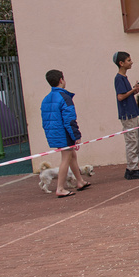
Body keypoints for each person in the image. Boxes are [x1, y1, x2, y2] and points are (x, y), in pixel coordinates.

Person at [40, 69, 90, 197]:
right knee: (66, 158)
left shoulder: (46, 99)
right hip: (64, 133)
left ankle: (80, 181)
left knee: (72, 155)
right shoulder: (64, 97)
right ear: (61, 80)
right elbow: (70, 119)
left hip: (54, 133)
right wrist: (76, 135)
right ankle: (60, 188)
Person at [114, 52, 139, 179]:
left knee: (136, 141)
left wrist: (134, 89)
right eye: (129, 60)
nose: (131, 62)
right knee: (132, 141)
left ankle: (134, 167)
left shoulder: (124, 78)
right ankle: (131, 169)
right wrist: (133, 91)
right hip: (127, 115)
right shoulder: (119, 78)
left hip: (132, 112)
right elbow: (120, 97)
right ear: (121, 63)